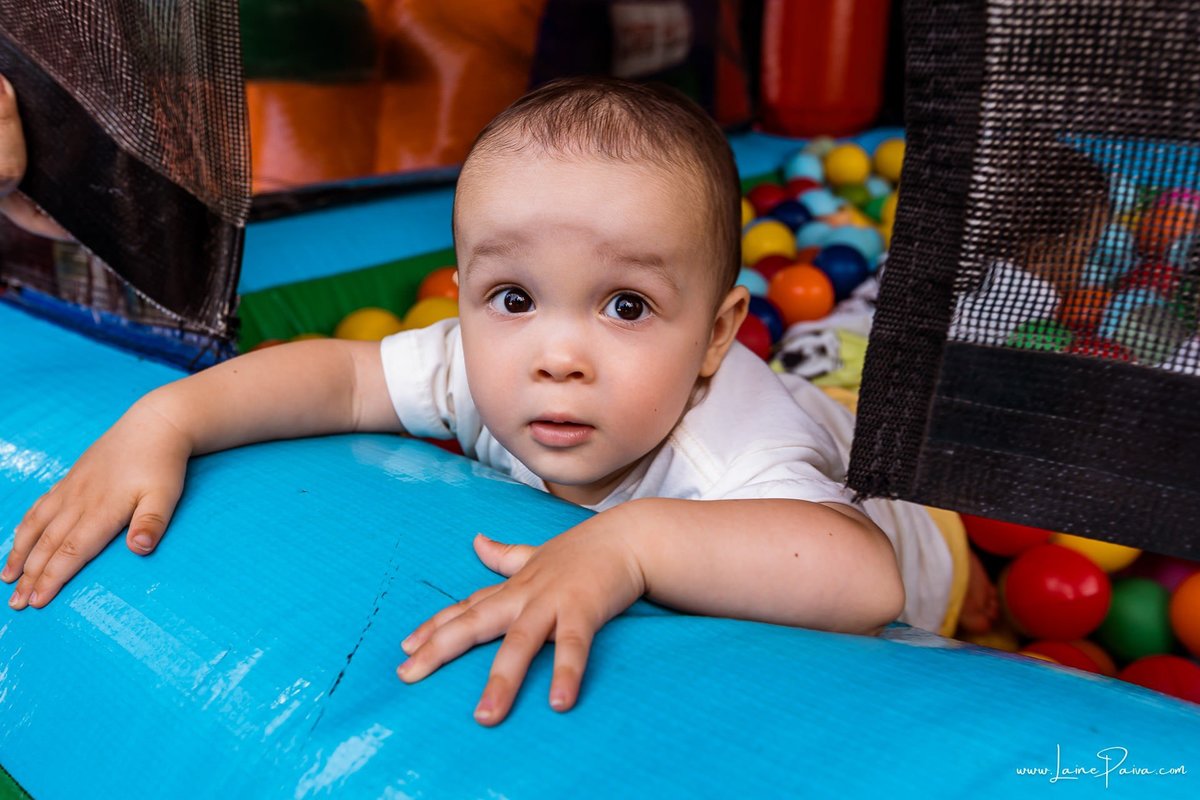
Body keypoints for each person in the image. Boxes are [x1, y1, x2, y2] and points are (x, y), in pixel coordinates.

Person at [2, 74, 983, 726]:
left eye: (627, 305)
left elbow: (867, 577)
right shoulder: (482, 364)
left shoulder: (731, 447)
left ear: (716, 337)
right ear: (467, 290)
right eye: (513, 296)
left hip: (922, 525)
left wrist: (630, 544)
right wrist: (167, 418)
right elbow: (341, 375)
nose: (557, 353)